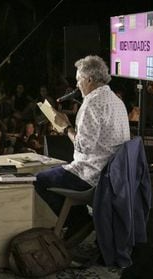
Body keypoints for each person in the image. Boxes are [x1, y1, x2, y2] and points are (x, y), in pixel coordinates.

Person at [34, 55, 130, 238]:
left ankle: (78, 222)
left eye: (78, 80)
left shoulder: (91, 104)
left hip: (91, 175)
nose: (77, 85)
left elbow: (83, 146)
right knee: (55, 171)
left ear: (89, 80)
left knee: (40, 179)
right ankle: (80, 222)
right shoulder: (117, 101)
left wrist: (65, 128)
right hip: (112, 173)